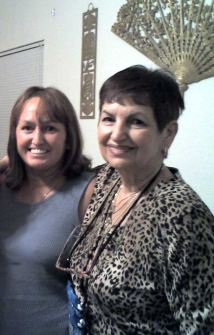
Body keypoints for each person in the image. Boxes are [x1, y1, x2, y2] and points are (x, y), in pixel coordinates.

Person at [56, 65, 214, 334]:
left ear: (168, 133)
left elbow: (202, 325)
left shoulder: (182, 215)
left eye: (136, 121)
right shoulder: (107, 179)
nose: (116, 134)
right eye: (108, 119)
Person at [0, 86, 94, 334]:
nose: (37, 138)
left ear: (68, 137)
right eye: (27, 128)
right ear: (15, 134)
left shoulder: (88, 192)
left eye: (50, 128)